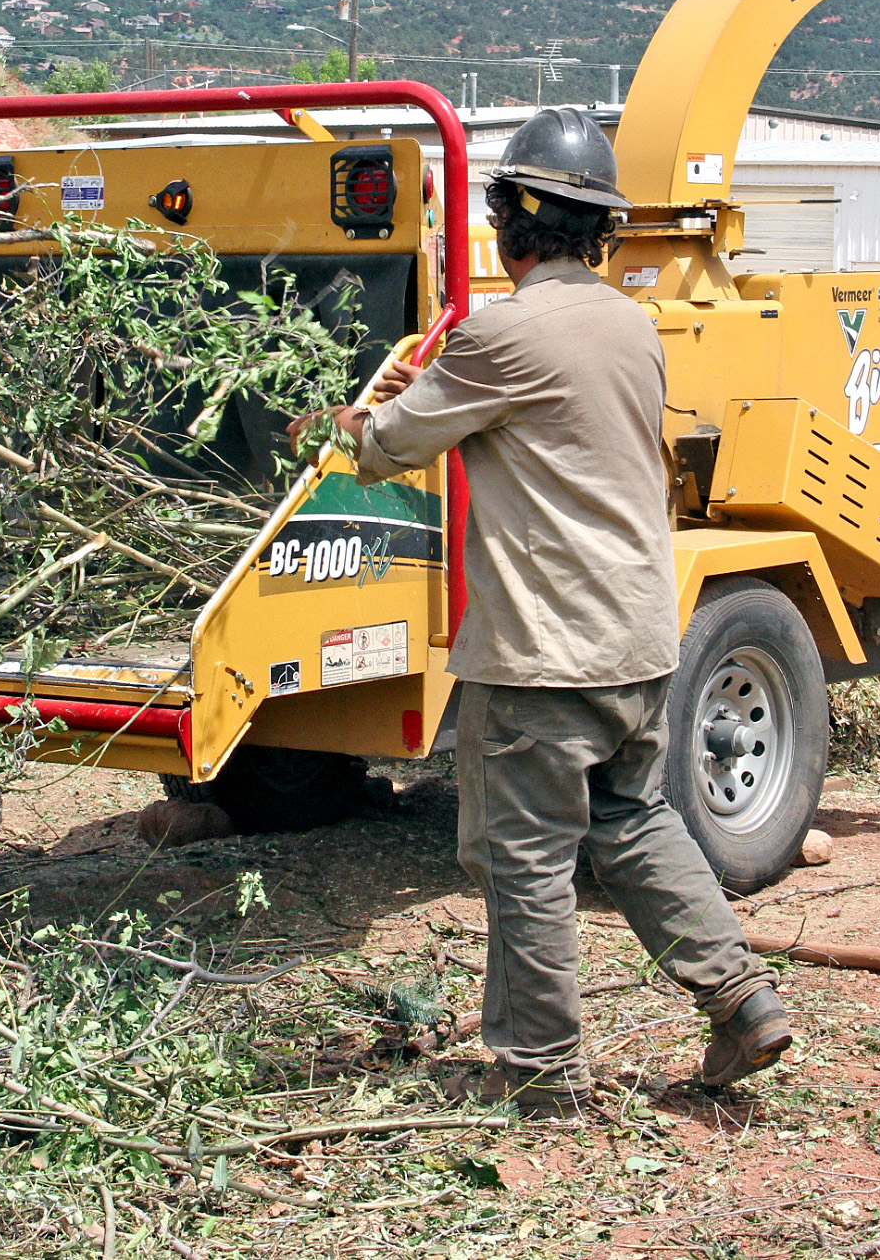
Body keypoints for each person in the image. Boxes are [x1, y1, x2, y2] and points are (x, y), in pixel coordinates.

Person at [294, 107, 792, 1107]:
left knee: (524, 861)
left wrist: (340, 416)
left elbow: (393, 446)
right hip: (641, 638)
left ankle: (542, 1079)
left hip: (545, 656)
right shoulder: (631, 325)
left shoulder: (500, 332)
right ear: (597, 229)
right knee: (635, 819)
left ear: (510, 219)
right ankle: (742, 1001)